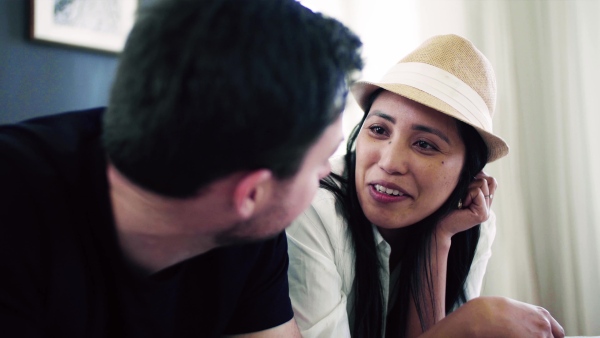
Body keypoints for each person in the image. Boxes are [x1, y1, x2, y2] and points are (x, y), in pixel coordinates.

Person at [0, 0, 363, 337]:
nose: (326, 172)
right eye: (321, 158)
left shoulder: (250, 231)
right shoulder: (16, 213)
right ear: (251, 193)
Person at [286, 34, 565, 337]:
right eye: (378, 129)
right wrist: (470, 322)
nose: (390, 162)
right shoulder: (311, 208)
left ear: (468, 170)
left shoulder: (471, 223)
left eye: (424, 144)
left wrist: (436, 241)